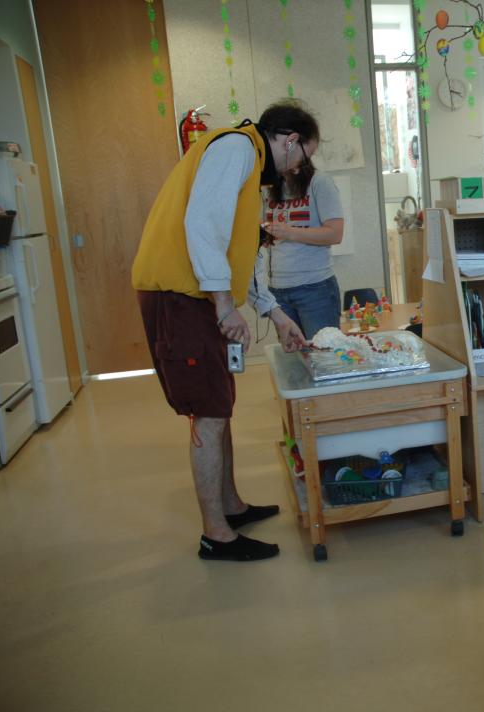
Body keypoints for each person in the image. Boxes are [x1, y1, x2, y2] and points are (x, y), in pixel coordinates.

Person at [132, 101, 319, 562]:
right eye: (303, 157)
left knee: (220, 403)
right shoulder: (236, 148)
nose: (298, 168)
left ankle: (231, 507)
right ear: (290, 140)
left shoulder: (249, 164)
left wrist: (275, 314)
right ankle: (216, 535)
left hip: (197, 297)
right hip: (182, 297)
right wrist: (222, 305)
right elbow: (202, 225)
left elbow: (239, 254)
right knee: (207, 413)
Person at [260, 128, 345, 341]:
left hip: (315, 288)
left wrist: (290, 232)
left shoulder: (319, 182)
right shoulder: (269, 187)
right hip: (278, 289)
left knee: (323, 354)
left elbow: (335, 234)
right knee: (293, 356)